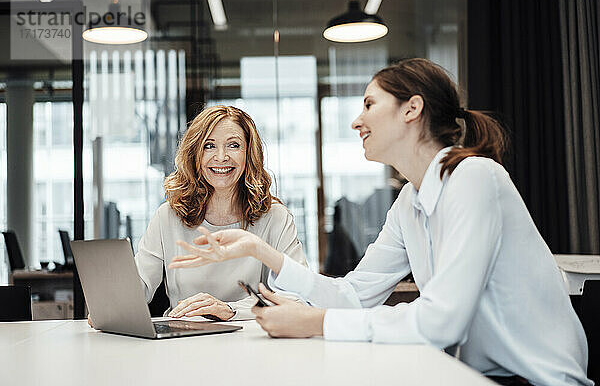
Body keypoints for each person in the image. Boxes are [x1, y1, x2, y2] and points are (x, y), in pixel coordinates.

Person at [169, 59, 592, 385]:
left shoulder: (474, 177)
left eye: (369, 104)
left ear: (412, 109)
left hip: (537, 380)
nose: (357, 120)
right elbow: (354, 293)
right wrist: (260, 251)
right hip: (473, 377)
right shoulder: (410, 200)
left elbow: (442, 321)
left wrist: (313, 322)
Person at [132, 105, 307, 321]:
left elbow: (297, 294)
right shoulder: (168, 216)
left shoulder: (275, 217)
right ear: (195, 154)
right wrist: (113, 305)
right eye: (209, 146)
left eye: (233, 145)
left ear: (248, 154)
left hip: (250, 341)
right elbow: (139, 284)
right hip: (182, 341)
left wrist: (229, 310)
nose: (221, 157)